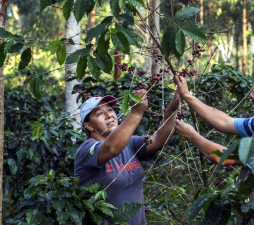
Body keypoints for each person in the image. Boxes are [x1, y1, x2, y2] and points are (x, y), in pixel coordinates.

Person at [174, 68, 254, 209]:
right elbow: (225, 121)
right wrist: (187, 96)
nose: (251, 95)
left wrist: (192, 136)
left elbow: (223, 156)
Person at [74, 89, 179, 225]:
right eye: (100, 113)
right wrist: (136, 113)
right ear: (89, 126)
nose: (109, 115)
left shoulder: (129, 143)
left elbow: (159, 141)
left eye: (110, 110)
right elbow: (111, 148)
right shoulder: (86, 149)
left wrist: (173, 108)